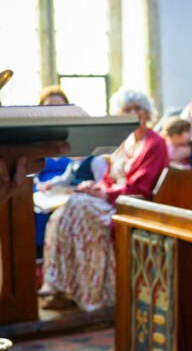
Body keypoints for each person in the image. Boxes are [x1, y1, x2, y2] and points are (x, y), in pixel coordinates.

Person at [40, 89, 169, 311]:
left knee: (78, 209)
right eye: (128, 109)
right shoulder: (124, 141)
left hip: (134, 206)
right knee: (60, 215)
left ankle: (92, 295)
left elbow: (141, 187)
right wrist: (95, 186)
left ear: (147, 113)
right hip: (113, 200)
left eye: (138, 108)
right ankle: (62, 286)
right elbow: (109, 179)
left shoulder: (154, 144)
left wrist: (103, 194)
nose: (134, 113)